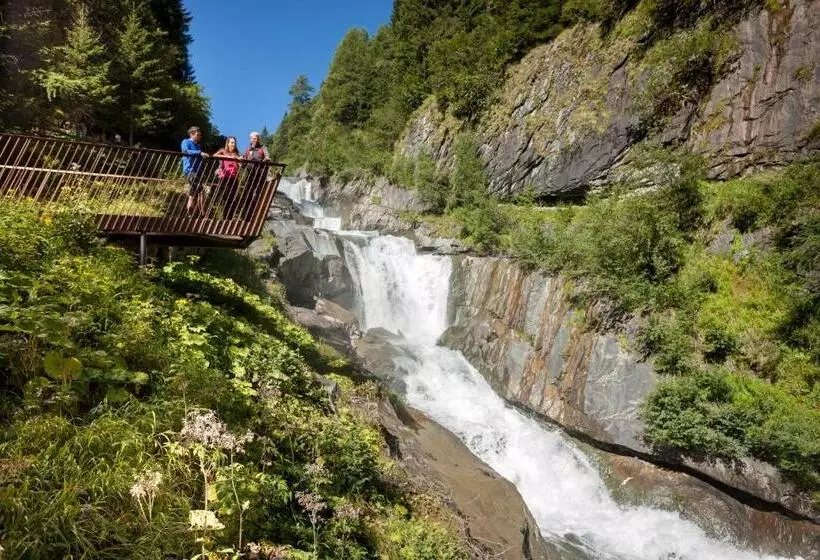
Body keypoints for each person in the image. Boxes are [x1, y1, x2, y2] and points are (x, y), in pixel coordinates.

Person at [241, 131, 271, 220]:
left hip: (260, 175)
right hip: (250, 175)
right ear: (250, 139)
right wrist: (242, 163)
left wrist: (266, 159)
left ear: (258, 139)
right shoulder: (248, 149)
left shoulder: (263, 148)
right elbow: (244, 161)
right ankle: (245, 216)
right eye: (253, 138)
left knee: (257, 195)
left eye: (256, 138)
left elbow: (267, 157)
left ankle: (253, 216)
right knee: (247, 194)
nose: (255, 140)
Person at [181, 126, 209, 217]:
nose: (199, 136)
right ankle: (203, 214)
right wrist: (199, 153)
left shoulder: (198, 146)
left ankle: (191, 213)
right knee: (201, 192)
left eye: (200, 135)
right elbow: (185, 151)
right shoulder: (186, 142)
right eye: (198, 134)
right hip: (190, 170)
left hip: (197, 171)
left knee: (192, 193)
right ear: (192, 134)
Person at [213, 136, 242, 219]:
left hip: (234, 178)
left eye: (234, 142)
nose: (233, 144)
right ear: (228, 143)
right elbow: (215, 155)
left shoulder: (236, 153)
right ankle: (224, 217)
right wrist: (230, 157)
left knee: (232, 198)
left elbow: (240, 162)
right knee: (225, 197)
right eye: (232, 142)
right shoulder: (223, 151)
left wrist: (240, 160)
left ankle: (229, 218)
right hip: (224, 177)